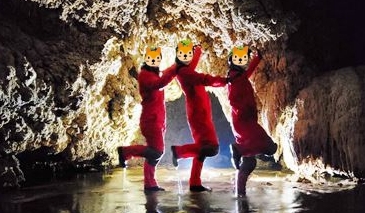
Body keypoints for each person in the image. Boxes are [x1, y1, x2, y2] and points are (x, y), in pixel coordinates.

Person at [117, 46, 177, 192]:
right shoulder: (145, 75)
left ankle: (150, 184)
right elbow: (159, 84)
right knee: (156, 151)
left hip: (158, 120)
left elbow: (163, 76)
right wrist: (176, 69)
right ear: (146, 59)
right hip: (150, 119)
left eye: (157, 59)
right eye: (151, 58)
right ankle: (125, 152)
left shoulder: (156, 74)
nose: (154, 61)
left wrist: (177, 65)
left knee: (153, 154)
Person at [170, 40, 226, 192]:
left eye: (188, 54)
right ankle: (179, 152)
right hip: (198, 112)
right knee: (211, 148)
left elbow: (192, 65)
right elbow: (203, 79)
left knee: (203, 149)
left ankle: (195, 183)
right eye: (183, 54)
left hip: (199, 111)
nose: (186, 56)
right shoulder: (183, 72)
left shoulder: (184, 69)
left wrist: (198, 51)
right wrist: (224, 81)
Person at [226, 45, 278, 196]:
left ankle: (239, 194)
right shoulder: (233, 78)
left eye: (244, 59)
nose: (242, 61)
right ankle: (238, 149)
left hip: (241, 122)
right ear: (231, 60)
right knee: (269, 147)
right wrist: (243, 110)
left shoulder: (238, 76)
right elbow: (232, 99)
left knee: (249, 163)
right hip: (245, 120)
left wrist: (257, 58)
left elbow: (247, 72)